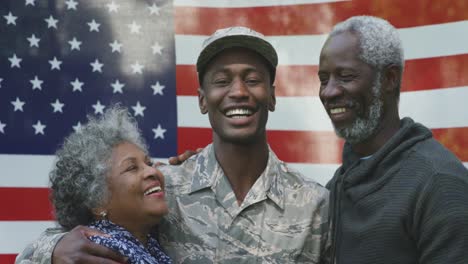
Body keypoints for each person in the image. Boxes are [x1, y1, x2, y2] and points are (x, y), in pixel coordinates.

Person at [15, 27, 330, 263]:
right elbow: (57, 242)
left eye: (252, 79)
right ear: (203, 100)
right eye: (222, 81)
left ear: (272, 95)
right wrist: (54, 251)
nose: (238, 92)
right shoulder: (164, 189)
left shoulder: (315, 204)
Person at [318, 16, 468, 263]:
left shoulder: (439, 184)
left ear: (389, 78)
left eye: (345, 76)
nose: (328, 91)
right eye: (324, 79)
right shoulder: (335, 187)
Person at [16, 105, 172, 264]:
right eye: (132, 168)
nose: (152, 171)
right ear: (98, 202)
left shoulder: (150, 248)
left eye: (149, 163)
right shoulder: (98, 255)